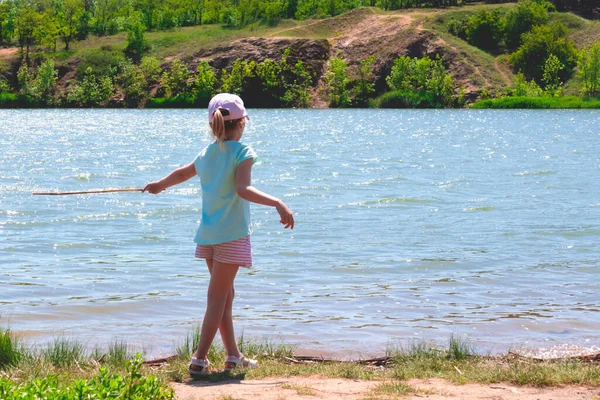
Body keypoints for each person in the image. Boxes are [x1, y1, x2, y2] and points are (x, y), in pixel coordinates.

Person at [143, 93, 294, 376]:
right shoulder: (242, 152)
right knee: (218, 298)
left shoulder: (206, 153)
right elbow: (243, 189)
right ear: (242, 122)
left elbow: (181, 174)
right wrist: (277, 202)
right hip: (232, 235)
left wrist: (160, 185)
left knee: (224, 295)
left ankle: (233, 355)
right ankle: (199, 359)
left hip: (209, 235)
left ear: (214, 126)